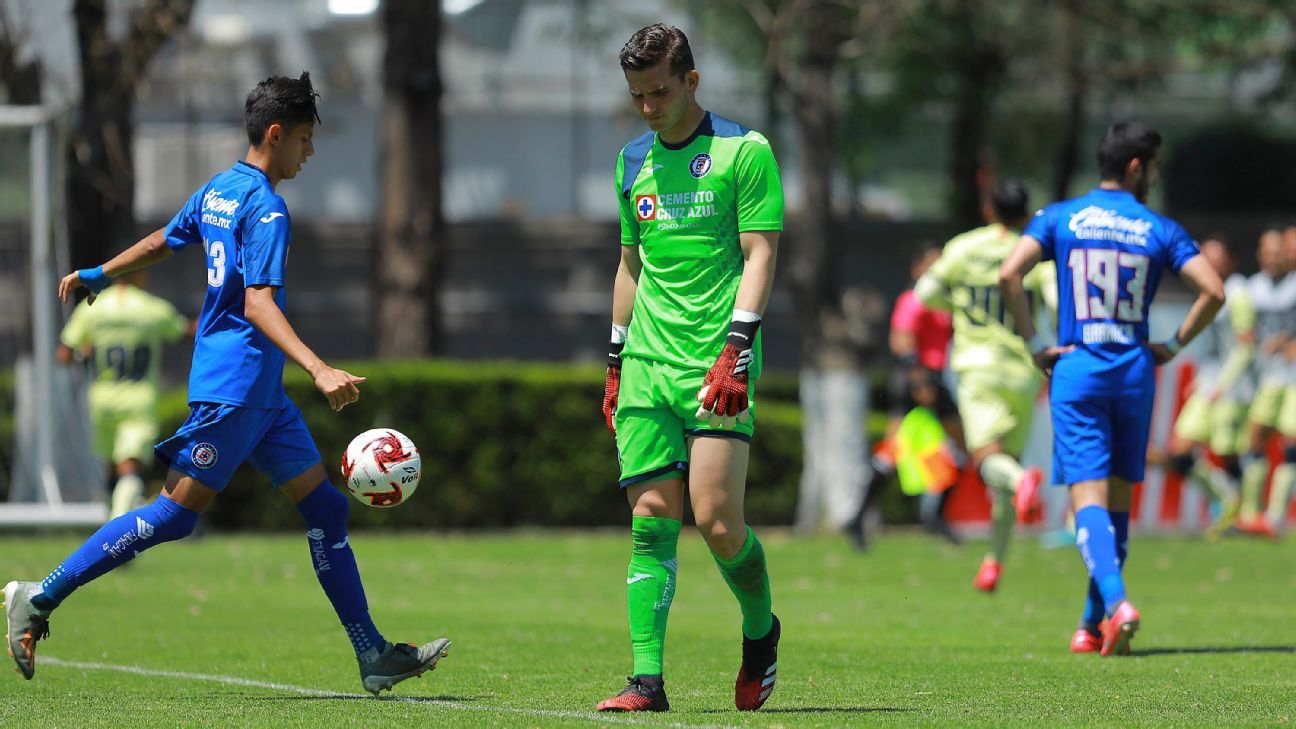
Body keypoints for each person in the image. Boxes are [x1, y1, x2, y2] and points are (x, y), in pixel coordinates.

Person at [4, 73, 449, 694]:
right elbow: (259, 304)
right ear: (276, 134)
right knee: (172, 516)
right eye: (303, 140)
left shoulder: (220, 189)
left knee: (324, 506)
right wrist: (319, 369)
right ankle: (39, 595)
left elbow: (165, 239)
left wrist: (99, 272)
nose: (309, 153)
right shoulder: (266, 206)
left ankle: (371, 653)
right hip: (234, 389)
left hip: (262, 396)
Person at [598, 24, 781, 713]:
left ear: (692, 82)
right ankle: (647, 679)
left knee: (716, 520)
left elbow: (760, 254)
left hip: (715, 362)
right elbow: (628, 266)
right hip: (646, 361)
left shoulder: (744, 151)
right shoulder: (631, 162)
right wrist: (615, 360)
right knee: (650, 517)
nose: (648, 106)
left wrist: (738, 347)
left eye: (659, 92)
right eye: (637, 95)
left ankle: (761, 632)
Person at [1000, 121, 1224, 657]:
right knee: (1118, 499)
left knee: (1088, 501)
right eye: (1154, 166)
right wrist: (1171, 344)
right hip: (1134, 370)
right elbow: (1212, 290)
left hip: (1078, 368)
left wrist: (1034, 342)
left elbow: (1010, 274)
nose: (1155, 175)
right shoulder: (1157, 226)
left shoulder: (1060, 217)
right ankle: (1088, 624)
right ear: (1134, 167)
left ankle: (1118, 603)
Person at [914, 178, 1057, 592]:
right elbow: (1057, 302)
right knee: (1005, 460)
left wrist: (960, 304)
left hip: (978, 366)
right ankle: (994, 562)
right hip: (1025, 370)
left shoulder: (964, 247)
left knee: (989, 462)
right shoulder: (1034, 251)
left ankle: (1022, 482)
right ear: (1027, 212)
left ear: (990, 210)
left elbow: (926, 294)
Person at [845, 246, 962, 549]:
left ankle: (936, 517)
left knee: (960, 447)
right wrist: (920, 382)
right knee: (894, 450)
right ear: (917, 269)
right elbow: (901, 343)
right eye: (931, 265)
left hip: (934, 377)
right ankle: (858, 517)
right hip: (916, 380)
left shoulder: (944, 301)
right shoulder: (913, 300)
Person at [58, 269, 193, 519]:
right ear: (140, 275)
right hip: (139, 399)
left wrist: (83, 353)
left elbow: (65, 354)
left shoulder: (93, 308)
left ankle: (112, 525)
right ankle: (118, 527)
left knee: (111, 469)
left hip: (101, 399)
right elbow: (185, 331)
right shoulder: (151, 308)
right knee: (130, 468)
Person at [1161, 235, 1254, 540]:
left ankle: (1242, 515)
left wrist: (1222, 384)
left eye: (1216, 257)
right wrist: (1202, 380)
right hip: (1210, 383)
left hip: (1231, 387)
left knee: (1229, 453)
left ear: (1230, 260)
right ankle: (1226, 500)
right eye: (1205, 256)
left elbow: (1244, 347)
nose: (1209, 262)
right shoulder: (1207, 292)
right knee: (1180, 449)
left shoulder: (1238, 292)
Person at [1235, 226, 1296, 538]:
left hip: (1291, 376)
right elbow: (1244, 332)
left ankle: (1275, 517)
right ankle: (1250, 513)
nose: (1276, 257)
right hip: (1263, 376)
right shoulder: (1251, 289)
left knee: (1290, 441)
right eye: (1269, 251)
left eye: (1280, 251)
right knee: (1254, 440)